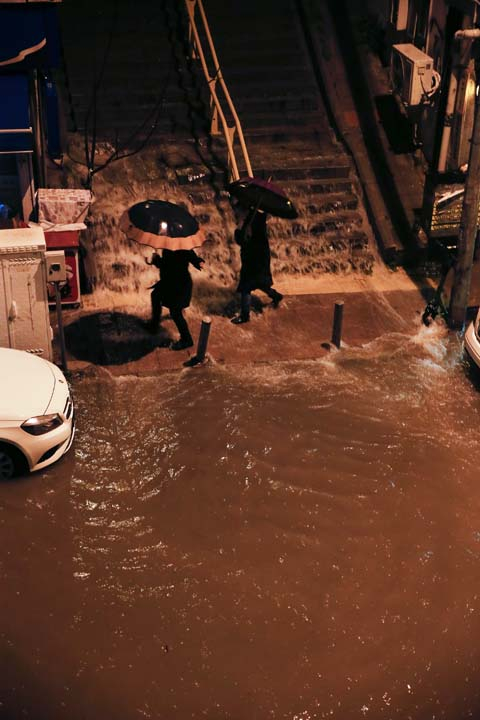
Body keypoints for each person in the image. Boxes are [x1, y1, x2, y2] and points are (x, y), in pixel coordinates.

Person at [231, 208, 283, 324]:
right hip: (261, 256)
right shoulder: (258, 217)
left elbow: (242, 240)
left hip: (252, 257)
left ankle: (245, 316)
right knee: (260, 282)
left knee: (246, 286)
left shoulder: (251, 220)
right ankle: (276, 296)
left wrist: (239, 231)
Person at [147, 248, 204, 350]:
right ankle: (154, 325)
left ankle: (187, 340)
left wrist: (156, 260)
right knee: (155, 295)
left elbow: (169, 264)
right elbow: (191, 257)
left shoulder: (179, 247)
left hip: (179, 285)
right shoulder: (176, 245)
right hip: (170, 282)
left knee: (175, 313)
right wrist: (198, 262)